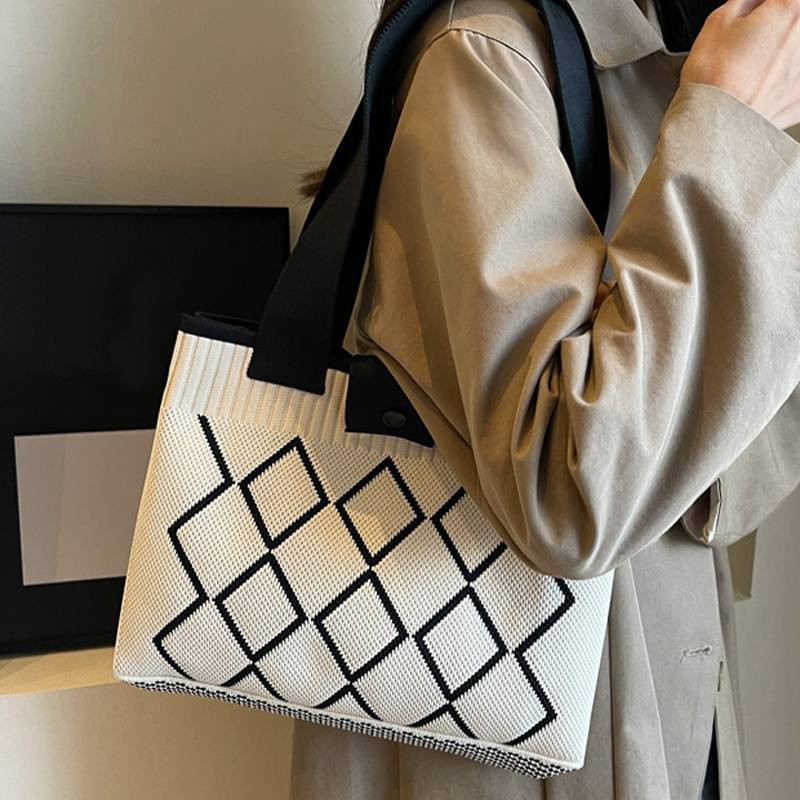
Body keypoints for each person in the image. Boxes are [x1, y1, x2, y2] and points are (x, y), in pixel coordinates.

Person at [290, 0, 800, 798]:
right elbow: (573, 494)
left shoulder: (667, 57)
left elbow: (726, 477)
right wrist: (731, 124)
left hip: (669, 692)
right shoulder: (480, 55)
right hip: (532, 730)